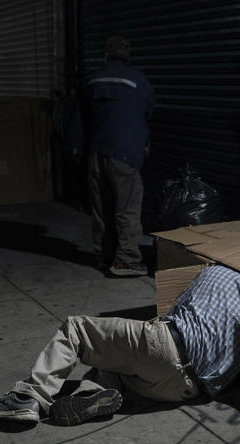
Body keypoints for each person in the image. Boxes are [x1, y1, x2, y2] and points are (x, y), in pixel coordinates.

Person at [0, 266, 240, 425]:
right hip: (185, 390)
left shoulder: (215, 271)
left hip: (169, 347)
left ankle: (28, 399)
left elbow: (170, 315)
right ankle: (92, 394)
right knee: (116, 364)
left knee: (76, 328)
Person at [84, 35, 156, 277]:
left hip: (96, 153)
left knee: (101, 209)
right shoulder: (137, 81)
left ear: (105, 55)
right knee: (127, 208)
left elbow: (82, 115)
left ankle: (103, 257)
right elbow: (149, 110)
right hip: (124, 155)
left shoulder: (92, 80)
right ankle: (126, 260)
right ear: (128, 56)